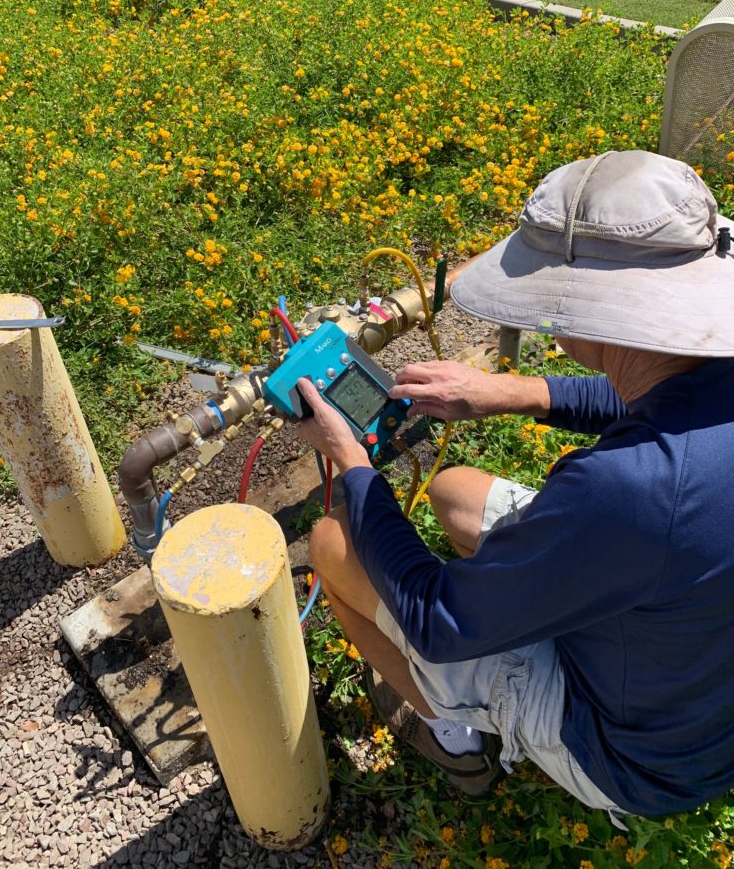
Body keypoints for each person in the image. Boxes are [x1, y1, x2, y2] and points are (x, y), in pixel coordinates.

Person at [294, 149, 734, 819]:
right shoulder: (693, 409)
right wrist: (507, 392)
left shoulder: (625, 491)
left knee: (331, 543)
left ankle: (453, 734)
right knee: (456, 492)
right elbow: (667, 404)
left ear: (595, 312)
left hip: (637, 758)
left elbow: (439, 621)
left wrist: (352, 465)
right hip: (695, 675)